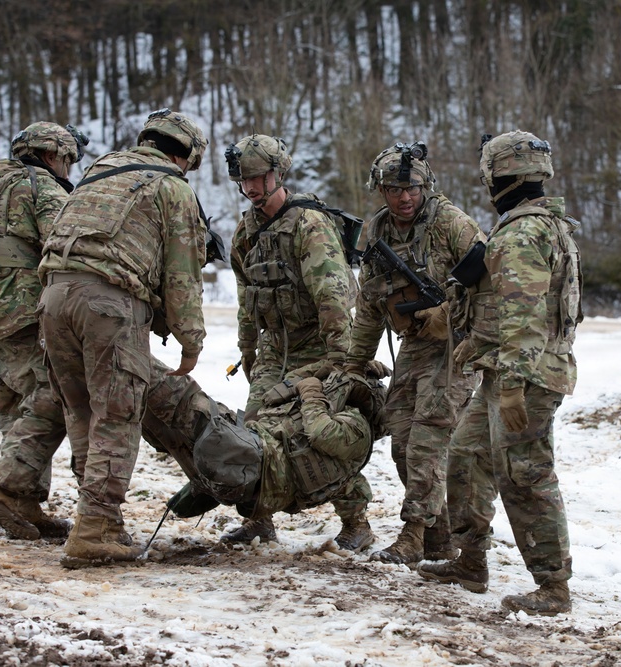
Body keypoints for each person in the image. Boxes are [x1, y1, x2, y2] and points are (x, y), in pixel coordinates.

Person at [416, 130, 583, 616]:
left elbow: (525, 320)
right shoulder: (541, 226)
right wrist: (478, 344)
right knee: (466, 458)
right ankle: (470, 563)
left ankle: (553, 586)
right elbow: (523, 310)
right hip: (508, 371)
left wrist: (510, 385)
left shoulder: (521, 235)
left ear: (497, 176)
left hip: (524, 378)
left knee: (525, 476)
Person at [36, 108, 208, 568]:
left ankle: (96, 520)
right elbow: (182, 274)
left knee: (80, 411)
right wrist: (191, 340)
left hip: (53, 296)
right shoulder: (173, 188)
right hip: (108, 304)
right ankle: (95, 527)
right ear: (186, 155)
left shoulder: (101, 169)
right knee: (116, 414)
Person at [223, 134, 372, 551]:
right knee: (252, 432)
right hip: (274, 347)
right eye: (244, 180)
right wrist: (248, 349)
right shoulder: (246, 231)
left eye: (258, 178)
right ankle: (259, 519)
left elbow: (333, 295)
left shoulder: (308, 224)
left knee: (315, 438)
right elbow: (245, 297)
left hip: (317, 348)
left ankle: (356, 521)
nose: (251, 188)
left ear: (278, 174)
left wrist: (341, 359)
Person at [345, 142, 484, 565]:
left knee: (427, 441)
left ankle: (413, 534)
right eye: (393, 189)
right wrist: (353, 363)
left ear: (426, 186)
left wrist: (451, 315)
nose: (404, 197)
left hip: (457, 347)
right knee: (402, 441)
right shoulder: (378, 232)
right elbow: (369, 305)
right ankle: (438, 538)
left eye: (412, 188)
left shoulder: (453, 225)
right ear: (380, 190)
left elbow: (492, 285)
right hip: (415, 346)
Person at [0, 121, 88, 540]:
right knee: (55, 399)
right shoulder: (41, 187)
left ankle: (26, 504)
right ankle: (4, 488)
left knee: (15, 414)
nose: (68, 170)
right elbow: (64, 244)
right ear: (50, 156)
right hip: (27, 317)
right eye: (66, 160)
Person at [143, 363, 388, 538]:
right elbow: (279, 391)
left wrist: (313, 393)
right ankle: (125, 367)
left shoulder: (357, 428)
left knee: (181, 397)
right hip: (245, 462)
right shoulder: (332, 413)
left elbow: (320, 432)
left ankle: (129, 355)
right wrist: (329, 367)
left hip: (254, 469)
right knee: (157, 420)